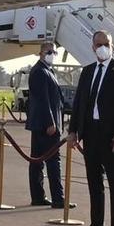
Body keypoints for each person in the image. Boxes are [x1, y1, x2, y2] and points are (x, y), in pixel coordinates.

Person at [68, 30, 114, 226]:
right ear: (92, 47)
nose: (102, 47)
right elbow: (78, 103)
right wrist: (73, 131)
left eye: (106, 44)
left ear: (112, 46)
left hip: (113, 137)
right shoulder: (87, 72)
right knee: (94, 182)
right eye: (98, 44)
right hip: (90, 133)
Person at [25, 42, 73, 208]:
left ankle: (38, 196)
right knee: (53, 161)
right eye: (49, 51)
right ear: (40, 53)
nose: (52, 54)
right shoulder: (40, 71)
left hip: (41, 123)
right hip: (46, 124)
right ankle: (58, 198)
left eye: (54, 52)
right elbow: (42, 100)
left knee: (38, 160)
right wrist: (50, 122)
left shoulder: (45, 70)